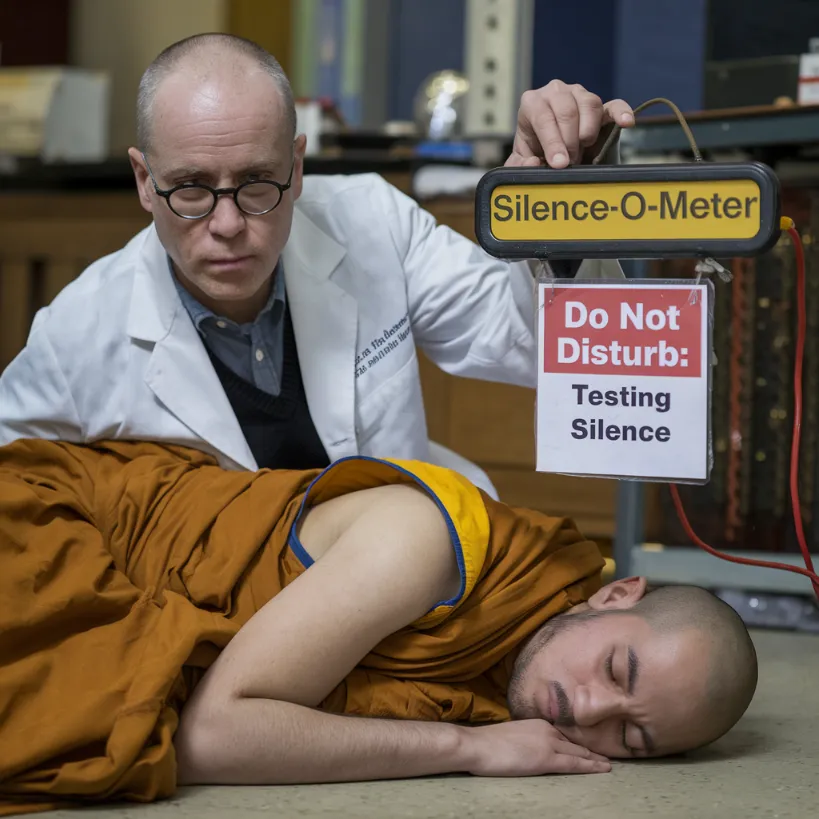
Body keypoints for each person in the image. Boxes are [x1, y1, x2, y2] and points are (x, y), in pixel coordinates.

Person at [0, 33, 633, 497]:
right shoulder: (78, 333)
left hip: (402, 570)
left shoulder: (373, 221)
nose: (226, 224)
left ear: (298, 167)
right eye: (190, 188)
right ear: (145, 180)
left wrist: (558, 213)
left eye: (257, 183)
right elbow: (16, 492)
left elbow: (539, 347)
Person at [0, 436, 758, 814]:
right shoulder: (423, 545)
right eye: (616, 672)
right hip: (57, 530)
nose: (588, 709)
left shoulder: (511, 664)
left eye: (630, 738)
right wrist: (465, 748)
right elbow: (212, 736)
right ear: (615, 592)